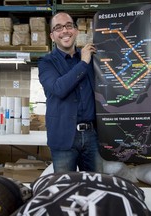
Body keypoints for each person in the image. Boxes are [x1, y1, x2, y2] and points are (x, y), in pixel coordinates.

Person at [38, 12, 104, 173]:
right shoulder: (46, 63)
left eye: (69, 26)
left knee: (95, 187)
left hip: (92, 137)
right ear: (52, 36)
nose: (65, 31)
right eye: (58, 28)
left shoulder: (90, 57)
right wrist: (83, 63)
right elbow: (59, 88)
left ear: (76, 30)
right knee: (64, 189)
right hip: (63, 138)